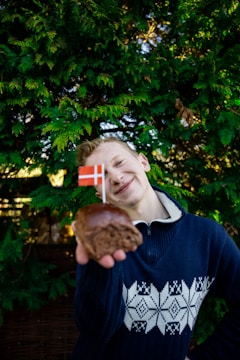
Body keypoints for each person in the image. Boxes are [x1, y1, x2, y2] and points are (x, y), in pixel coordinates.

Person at [71, 136, 240, 360]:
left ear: (144, 162)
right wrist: (101, 269)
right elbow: (95, 330)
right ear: (98, 194)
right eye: (101, 175)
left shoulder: (208, 236)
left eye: (119, 163)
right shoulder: (99, 242)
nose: (116, 177)